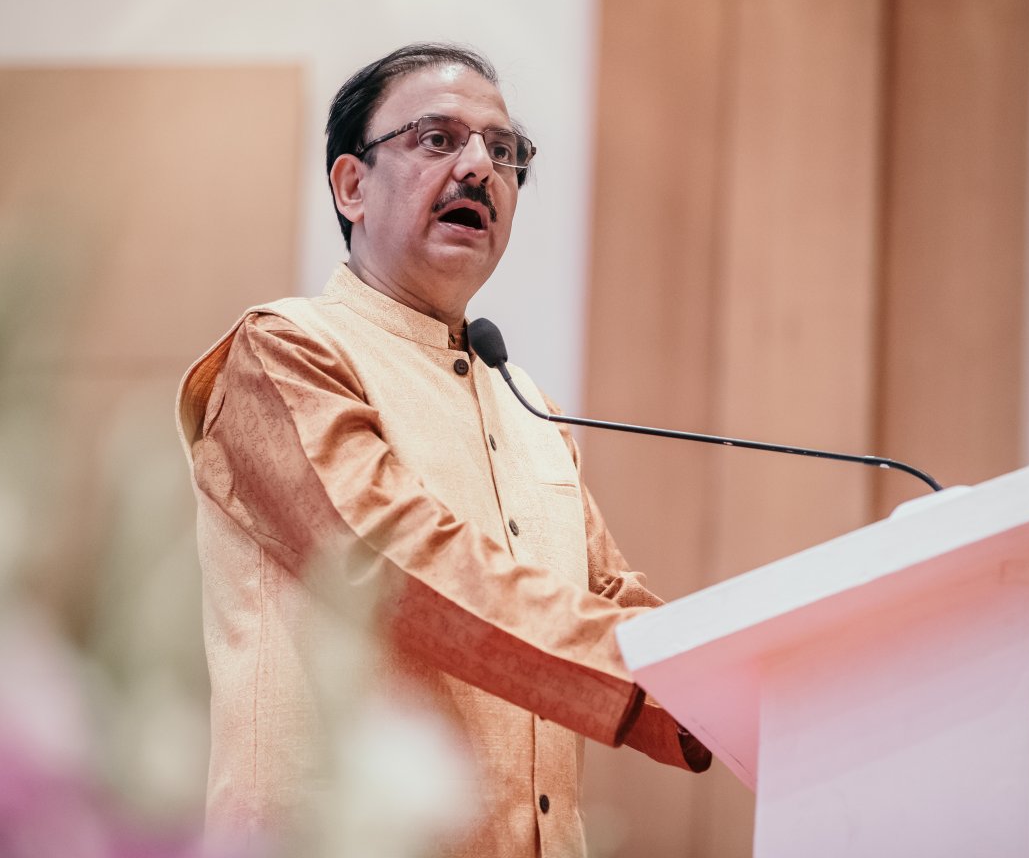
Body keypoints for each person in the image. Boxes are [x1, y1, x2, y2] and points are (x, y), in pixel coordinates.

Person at [175, 42, 709, 858]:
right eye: (437, 139)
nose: (480, 168)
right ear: (352, 185)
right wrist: (659, 683)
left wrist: (745, 680)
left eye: (504, 151)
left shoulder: (529, 407)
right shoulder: (282, 354)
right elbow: (397, 562)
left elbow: (607, 595)